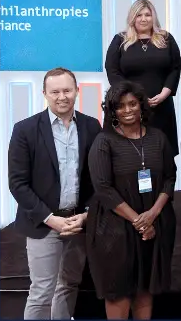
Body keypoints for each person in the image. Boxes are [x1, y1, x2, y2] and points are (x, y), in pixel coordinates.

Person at [7, 67, 102, 320]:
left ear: (77, 92)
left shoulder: (92, 126)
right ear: (45, 94)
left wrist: (85, 215)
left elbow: (99, 179)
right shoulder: (24, 129)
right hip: (43, 223)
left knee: (68, 286)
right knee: (41, 291)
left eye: (67, 90)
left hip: (77, 223)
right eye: (55, 91)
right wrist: (50, 218)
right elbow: (17, 183)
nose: (62, 96)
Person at [85, 81, 177, 319]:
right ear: (112, 110)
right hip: (115, 230)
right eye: (120, 106)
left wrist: (152, 216)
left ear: (141, 105)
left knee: (146, 288)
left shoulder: (158, 138)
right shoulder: (103, 142)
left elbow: (169, 177)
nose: (127, 110)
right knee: (120, 292)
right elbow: (103, 189)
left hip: (154, 225)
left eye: (132, 104)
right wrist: (139, 221)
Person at [105, 0, 181, 156]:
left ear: (153, 17)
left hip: (161, 107)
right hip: (129, 108)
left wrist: (164, 94)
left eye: (147, 14)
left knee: (162, 155)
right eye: (139, 15)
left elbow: (175, 68)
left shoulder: (166, 39)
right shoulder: (120, 40)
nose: (144, 18)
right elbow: (112, 70)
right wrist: (132, 97)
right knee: (130, 155)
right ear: (132, 18)